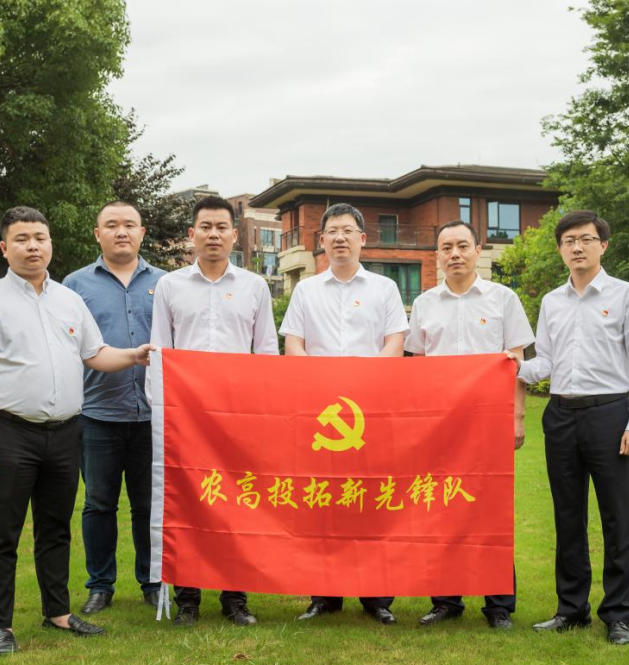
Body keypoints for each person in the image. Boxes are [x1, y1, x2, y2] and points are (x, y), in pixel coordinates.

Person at [0, 206, 153, 655]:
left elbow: (95, 353)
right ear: (5, 248)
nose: (32, 247)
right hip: (11, 432)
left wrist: (134, 355)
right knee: (2, 533)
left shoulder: (68, 299)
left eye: (39, 238)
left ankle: (58, 612)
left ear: (50, 244)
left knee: (56, 528)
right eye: (22, 239)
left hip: (66, 432)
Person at [516, 209, 629, 646]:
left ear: (603, 245)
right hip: (560, 416)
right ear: (560, 249)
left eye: (586, 239)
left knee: (617, 518)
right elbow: (545, 363)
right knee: (567, 517)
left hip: (610, 416)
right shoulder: (552, 302)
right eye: (569, 241)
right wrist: (507, 364)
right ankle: (571, 609)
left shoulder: (627, 295)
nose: (577, 247)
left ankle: (617, 615)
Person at [150, 194, 279, 627]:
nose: (213, 235)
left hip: (238, 416)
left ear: (234, 234)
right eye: (205, 227)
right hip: (185, 415)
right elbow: (160, 351)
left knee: (238, 503)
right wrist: (161, 408)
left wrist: (263, 413)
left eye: (221, 227)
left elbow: (266, 352)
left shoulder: (254, 287)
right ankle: (188, 597)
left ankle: (235, 597)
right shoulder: (170, 286)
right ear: (192, 234)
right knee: (188, 501)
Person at [279, 202, 409, 625]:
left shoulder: (385, 289)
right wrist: (321, 385)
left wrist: (362, 383)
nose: (339, 238)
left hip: (371, 411)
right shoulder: (306, 291)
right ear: (321, 241)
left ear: (362, 238)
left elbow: (394, 344)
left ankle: (377, 597)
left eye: (347, 230)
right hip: (320, 415)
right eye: (332, 231)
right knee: (321, 502)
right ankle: (324, 594)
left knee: (372, 501)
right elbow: (294, 345)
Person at [406, 219, 534, 629]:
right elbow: (417, 368)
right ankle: (446, 600)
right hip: (440, 427)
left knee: (491, 510)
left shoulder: (503, 299)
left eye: (463, 246)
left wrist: (516, 417)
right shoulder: (425, 303)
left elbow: (516, 363)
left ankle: (499, 605)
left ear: (479, 250)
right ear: (437, 256)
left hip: (489, 422)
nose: (455, 254)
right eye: (446, 248)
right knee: (441, 509)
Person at [63, 201, 166, 617]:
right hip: (97, 414)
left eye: (129, 225)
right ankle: (100, 585)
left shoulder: (166, 283)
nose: (121, 231)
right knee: (99, 504)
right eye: (111, 225)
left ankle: (152, 582)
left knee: (149, 505)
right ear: (97, 234)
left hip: (154, 416)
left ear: (142, 233)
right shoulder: (74, 285)